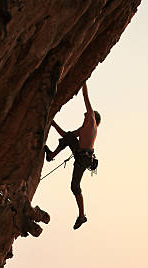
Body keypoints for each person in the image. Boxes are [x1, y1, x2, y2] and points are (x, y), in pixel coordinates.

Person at [44, 82, 101, 230]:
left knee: (74, 186)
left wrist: (83, 80)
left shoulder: (91, 123)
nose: (85, 115)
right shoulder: (83, 129)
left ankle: (82, 216)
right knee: (70, 137)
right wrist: (52, 123)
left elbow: (86, 97)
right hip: (80, 155)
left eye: (88, 115)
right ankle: (51, 155)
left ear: (92, 118)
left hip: (83, 158)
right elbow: (66, 136)